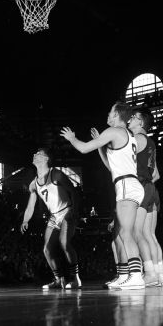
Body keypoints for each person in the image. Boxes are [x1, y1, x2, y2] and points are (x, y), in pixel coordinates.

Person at [60, 101, 145, 289]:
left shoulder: (114, 131)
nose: (107, 115)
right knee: (123, 233)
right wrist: (101, 146)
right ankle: (127, 276)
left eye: (110, 112)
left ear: (117, 115)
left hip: (126, 185)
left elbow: (83, 148)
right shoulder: (128, 136)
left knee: (126, 233)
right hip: (129, 183)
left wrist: (72, 138)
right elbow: (111, 167)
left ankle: (137, 276)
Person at [20, 148, 81, 289]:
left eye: (39, 154)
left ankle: (76, 279)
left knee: (64, 243)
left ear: (46, 159)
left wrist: (75, 210)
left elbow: (73, 192)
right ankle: (59, 279)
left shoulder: (57, 174)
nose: (34, 154)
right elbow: (30, 206)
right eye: (35, 153)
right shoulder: (33, 183)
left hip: (67, 211)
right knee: (46, 250)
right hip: (54, 216)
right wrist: (25, 220)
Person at [129, 107, 160, 286]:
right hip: (148, 186)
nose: (130, 118)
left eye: (134, 117)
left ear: (140, 123)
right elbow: (156, 174)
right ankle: (156, 274)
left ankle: (150, 274)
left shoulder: (137, 139)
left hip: (141, 185)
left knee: (138, 232)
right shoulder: (150, 141)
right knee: (147, 234)